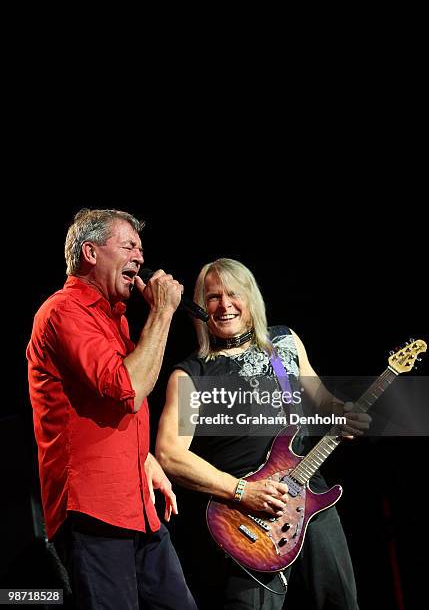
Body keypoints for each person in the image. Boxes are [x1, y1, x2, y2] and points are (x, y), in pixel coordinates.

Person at [155, 257, 371, 610]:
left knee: (341, 602)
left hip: (311, 501)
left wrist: (347, 414)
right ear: (200, 307)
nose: (224, 305)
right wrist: (243, 491)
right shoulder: (191, 374)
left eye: (233, 294)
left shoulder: (284, 343)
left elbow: (322, 401)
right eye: (212, 297)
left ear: (250, 297)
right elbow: (169, 454)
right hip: (246, 520)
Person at [27, 209, 197, 610]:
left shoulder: (114, 318)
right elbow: (131, 389)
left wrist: (144, 460)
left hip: (135, 505)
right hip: (94, 510)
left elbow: (110, 410)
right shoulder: (64, 311)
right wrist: (162, 312)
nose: (140, 257)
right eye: (128, 246)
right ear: (90, 252)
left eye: (141, 248)